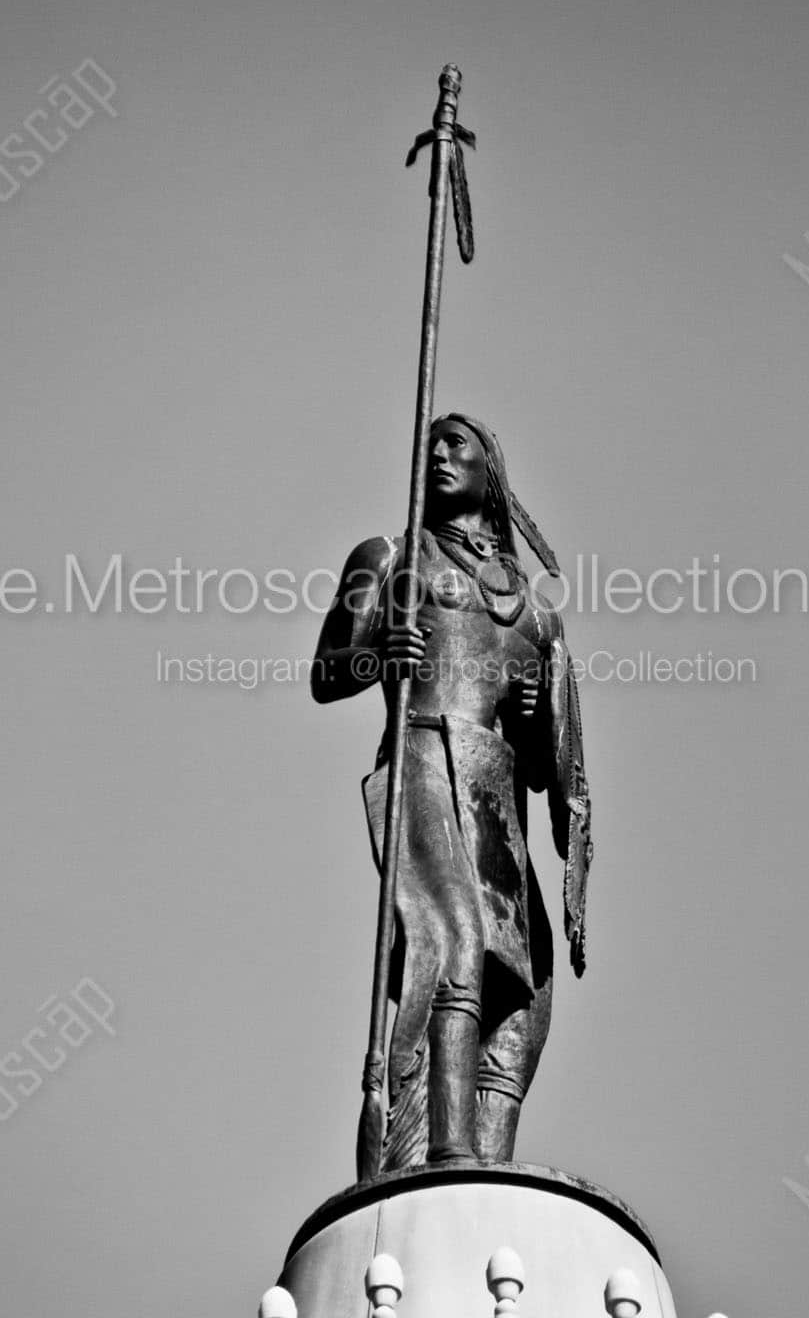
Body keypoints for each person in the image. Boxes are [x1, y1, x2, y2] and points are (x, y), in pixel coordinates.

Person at [312, 413, 593, 1169]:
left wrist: (533, 716)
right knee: (456, 944)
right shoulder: (391, 557)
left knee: (525, 1004)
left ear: (489, 470)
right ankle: (446, 1152)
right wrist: (378, 654)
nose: (437, 452)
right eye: (430, 442)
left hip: (494, 795)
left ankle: (487, 1172)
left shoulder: (537, 612)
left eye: (455, 443)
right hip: (422, 756)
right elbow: (326, 673)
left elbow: (549, 767)